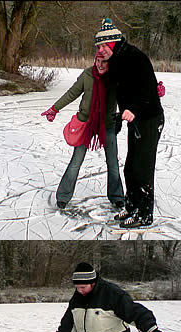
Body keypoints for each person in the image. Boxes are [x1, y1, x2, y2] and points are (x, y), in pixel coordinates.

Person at [94, 18, 165, 228]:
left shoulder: (135, 58)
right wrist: (118, 115)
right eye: (98, 46)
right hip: (135, 121)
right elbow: (119, 90)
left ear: (114, 42)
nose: (101, 50)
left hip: (150, 119)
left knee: (142, 169)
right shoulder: (116, 61)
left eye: (104, 45)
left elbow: (148, 90)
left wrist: (133, 109)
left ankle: (144, 215)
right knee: (130, 169)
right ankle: (132, 207)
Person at [41, 51, 124, 212]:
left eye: (104, 61)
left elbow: (130, 93)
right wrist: (54, 108)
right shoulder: (87, 75)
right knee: (76, 162)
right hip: (86, 124)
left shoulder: (115, 77)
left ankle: (117, 197)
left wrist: (153, 92)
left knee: (112, 163)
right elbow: (72, 93)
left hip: (107, 125)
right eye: (97, 61)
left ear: (110, 63)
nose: (100, 64)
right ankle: (63, 196)